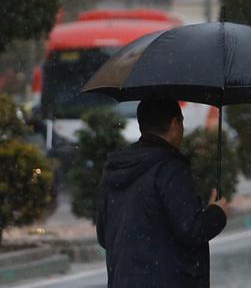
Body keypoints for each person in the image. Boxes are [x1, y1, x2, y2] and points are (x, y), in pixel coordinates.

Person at [96, 99, 229, 288]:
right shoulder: (170, 169)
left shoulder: (115, 168)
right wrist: (217, 212)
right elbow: (191, 228)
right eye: (181, 123)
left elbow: (103, 235)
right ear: (175, 124)